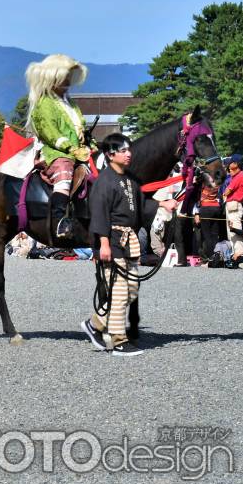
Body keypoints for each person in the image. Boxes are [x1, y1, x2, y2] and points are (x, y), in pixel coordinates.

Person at [81, 133, 176, 357]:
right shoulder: (104, 182)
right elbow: (99, 214)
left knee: (130, 289)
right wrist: (103, 243)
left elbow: (141, 205)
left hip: (128, 240)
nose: (128, 154)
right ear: (110, 154)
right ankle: (117, 340)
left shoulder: (130, 179)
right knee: (120, 290)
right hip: (111, 239)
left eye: (128, 150)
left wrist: (163, 204)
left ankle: (95, 324)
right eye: (123, 150)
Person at [25, 53, 93, 239]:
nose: (68, 81)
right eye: (65, 77)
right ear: (54, 77)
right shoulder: (44, 103)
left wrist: (89, 143)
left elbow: (81, 128)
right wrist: (71, 148)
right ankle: (59, 221)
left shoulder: (71, 103)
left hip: (79, 151)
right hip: (54, 152)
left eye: (70, 76)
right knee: (64, 170)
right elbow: (50, 132)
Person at [222, 154, 243, 261]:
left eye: (231, 162)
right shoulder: (238, 175)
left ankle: (239, 254)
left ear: (236, 164)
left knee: (235, 230)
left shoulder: (239, 176)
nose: (229, 165)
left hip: (234, 205)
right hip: (233, 205)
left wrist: (225, 193)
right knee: (231, 231)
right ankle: (235, 254)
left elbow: (227, 191)